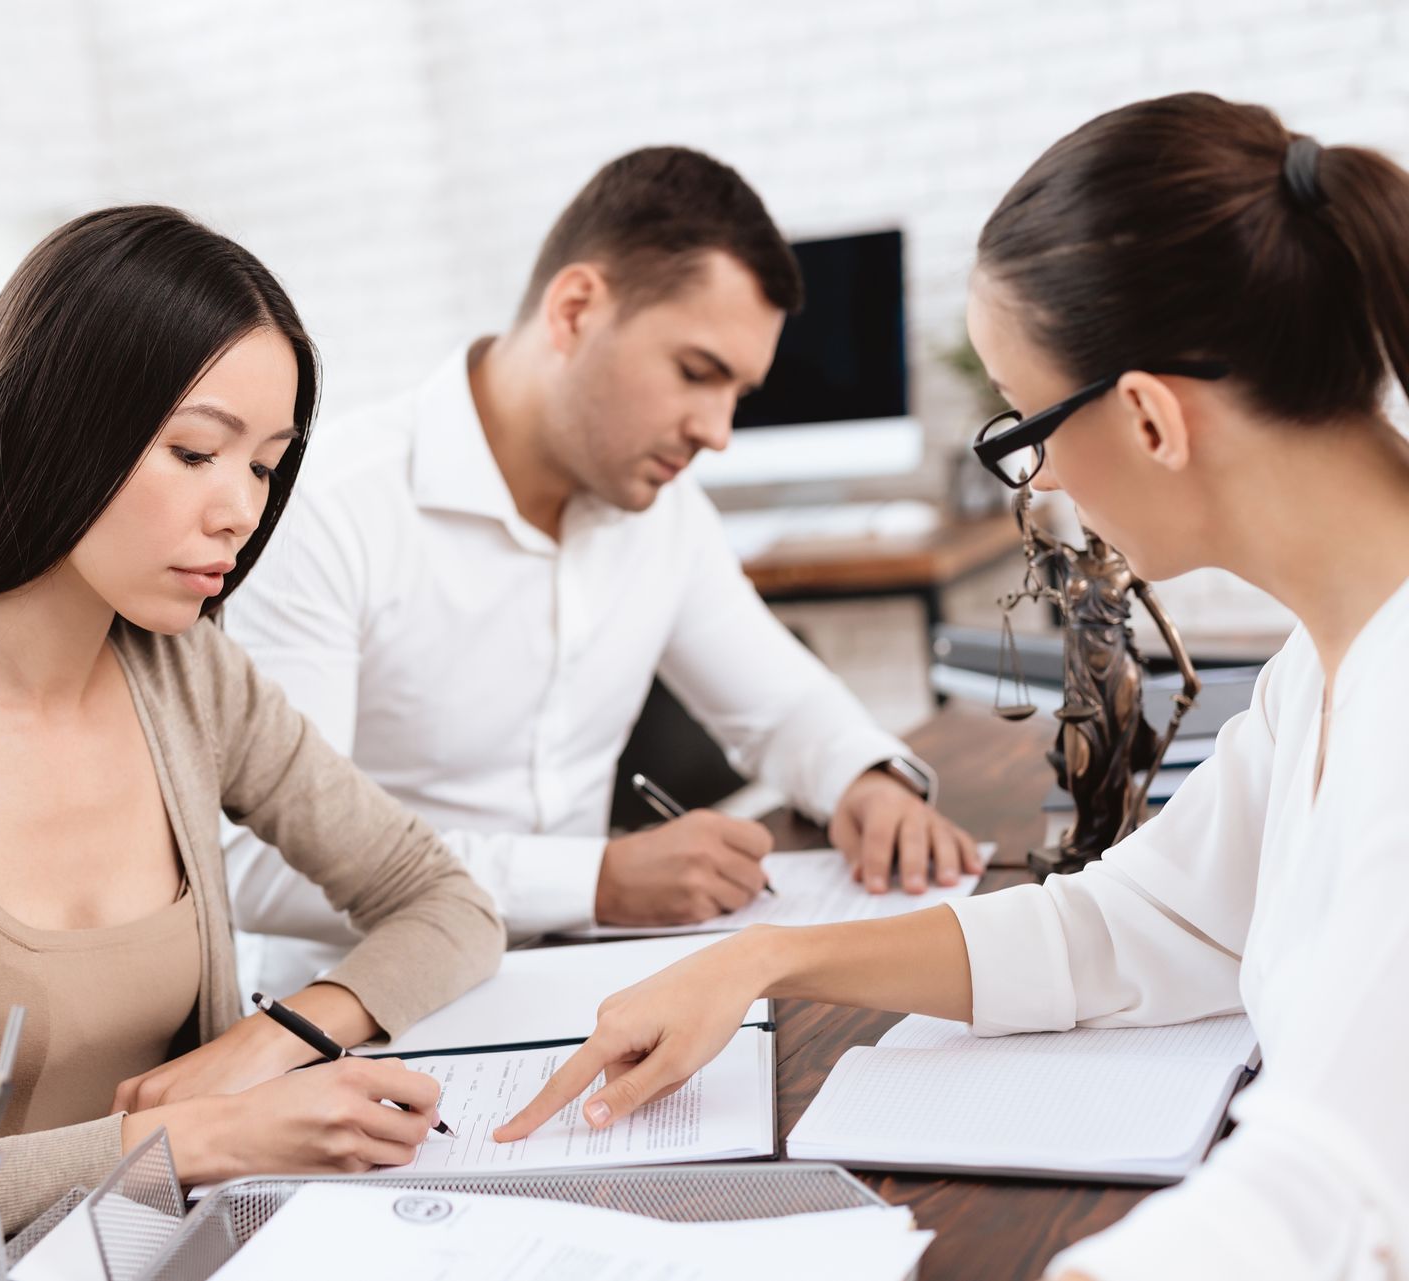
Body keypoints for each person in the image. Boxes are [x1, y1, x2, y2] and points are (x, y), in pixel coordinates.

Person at [492, 94, 1409, 1279]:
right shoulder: (1321, 667)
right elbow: (1140, 923)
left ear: (1146, 417)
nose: (1037, 477)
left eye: (1024, 427)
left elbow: (1334, 1196)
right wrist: (766, 960)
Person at [0, 206, 504, 1281]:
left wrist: (275, 1040)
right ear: (51, 423)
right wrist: (201, 1136)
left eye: (264, 466)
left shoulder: (188, 675)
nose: (238, 511)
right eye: (195, 451)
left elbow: (446, 903)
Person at [223, 146, 980, 993]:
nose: (718, 431)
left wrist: (865, 780)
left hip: (579, 983)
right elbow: (262, 864)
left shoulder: (661, 513)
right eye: (697, 373)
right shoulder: (325, 510)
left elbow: (782, 705)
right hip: (355, 1018)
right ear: (576, 308)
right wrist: (595, 880)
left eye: (739, 393)